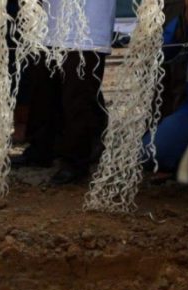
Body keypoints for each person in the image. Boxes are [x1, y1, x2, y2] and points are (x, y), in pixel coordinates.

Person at [13, 0, 117, 185]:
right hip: (46, 24)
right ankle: (42, 149)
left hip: (87, 28)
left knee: (78, 97)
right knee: (44, 90)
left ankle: (75, 161)